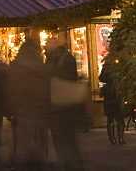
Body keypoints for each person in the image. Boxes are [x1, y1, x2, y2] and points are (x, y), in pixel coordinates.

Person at [7, 37, 49, 170]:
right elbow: (43, 87)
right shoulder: (38, 66)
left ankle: (22, 164)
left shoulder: (15, 66)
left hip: (21, 108)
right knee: (39, 136)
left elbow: (10, 87)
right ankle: (40, 162)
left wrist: (10, 108)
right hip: (37, 107)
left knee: (23, 139)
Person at [44, 35, 84, 171]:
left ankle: (67, 162)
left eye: (50, 42)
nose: (47, 44)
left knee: (61, 137)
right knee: (69, 136)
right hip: (69, 105)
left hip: (58, 105)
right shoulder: (68, 57)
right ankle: (73, 162)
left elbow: (48, 76)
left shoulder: (55, 58)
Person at [98, 57, 124, 145]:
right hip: (119, 92)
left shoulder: (107, 66)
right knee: (120, 116)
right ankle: (120, 137)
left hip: (109, 94)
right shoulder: (121, 64)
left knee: (110, 117)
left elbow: (101, 78)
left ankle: (112, 138)